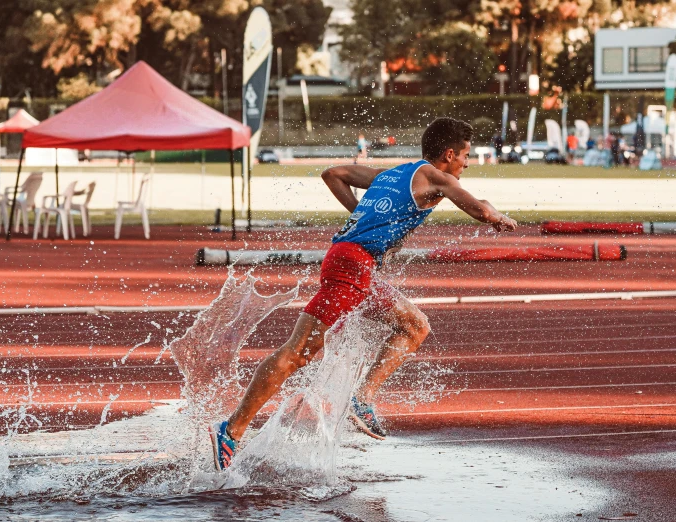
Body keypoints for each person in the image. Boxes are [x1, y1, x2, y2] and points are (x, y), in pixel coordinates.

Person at [210, 117, 518, 471]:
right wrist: (498, 218)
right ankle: (231, 429)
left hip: (355, 267)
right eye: (466, 156)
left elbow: (333, 174)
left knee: (415, 325)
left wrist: (361, 215)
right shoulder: (438, 177)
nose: (467, 164)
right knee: (298, 353)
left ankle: (362, 398)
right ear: (449, 154)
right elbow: (478, 208)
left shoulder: (394, 174)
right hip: (350, 268)